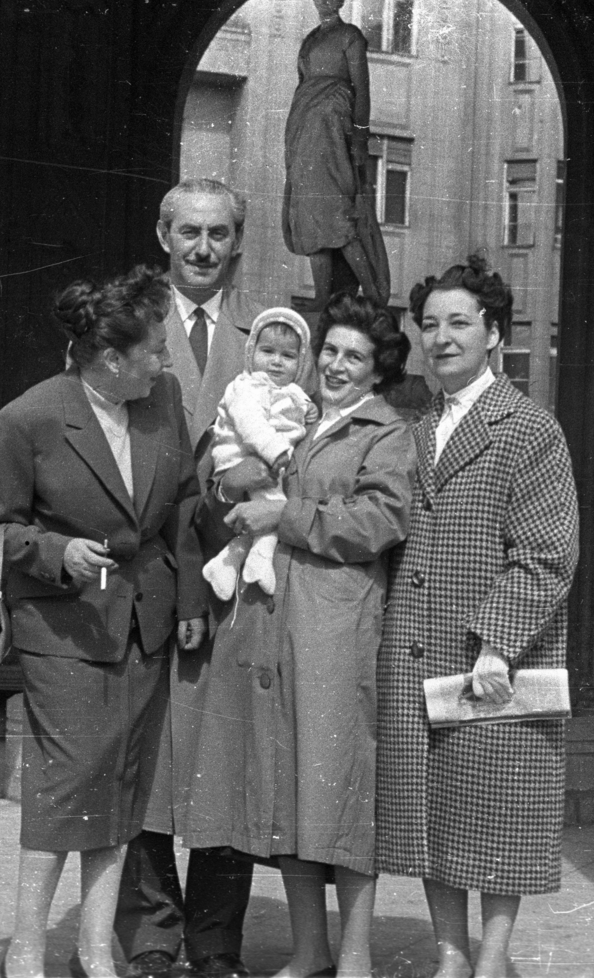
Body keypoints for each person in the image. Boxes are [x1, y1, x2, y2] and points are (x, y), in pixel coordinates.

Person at [0, 266, 207, 978]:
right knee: (66, 785)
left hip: (145, 625)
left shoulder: (161, 398)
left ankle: (97, 949)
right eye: (155, 352)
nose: (166, 363)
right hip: (65, 631)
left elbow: (185, 507)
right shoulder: (31, 417)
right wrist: (55, 551)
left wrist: (189, 599)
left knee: (124, 787)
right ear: (110, 361)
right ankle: (28, 948)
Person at [179, 293, 414, 978]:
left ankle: (357, 957)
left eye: (355, 357)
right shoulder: (301, 415)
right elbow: (233, 482)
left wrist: (286, 514)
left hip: (337, 624)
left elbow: (378, 521)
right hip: (271, 618)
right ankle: (311, 949)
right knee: (286, 785)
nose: (337, 365)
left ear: (378, 370)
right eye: (331, 351)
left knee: (339, 786)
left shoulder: (384, 432)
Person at [375, 257, 581, 978]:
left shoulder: (528, 427)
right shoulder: (417, 426)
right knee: (433, 809)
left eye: (459, 322)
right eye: (429, 325)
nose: (441, 338)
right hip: (416, 647)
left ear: (495, 333)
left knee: (498, 807)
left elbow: (548, 552)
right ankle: (450, 955)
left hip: (493, 655)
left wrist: (498, 643)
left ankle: (491, 960)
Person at [117, 178, 265, 978]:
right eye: (189, 234)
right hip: (145, 579)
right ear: (163, 237)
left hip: (230, 585)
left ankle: (214, 942)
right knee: (144, 763)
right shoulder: (128, 332)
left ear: (236, 242)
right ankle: (149, 936)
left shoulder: (267, 338)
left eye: (218, 234)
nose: (203, 249)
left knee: (223, 763)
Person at [283, 0, 391, 309]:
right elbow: (303, 86)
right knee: (309, 212)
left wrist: (360, 140)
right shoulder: (310, 38)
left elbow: (363, 90)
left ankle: (372, 292)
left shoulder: (351, 36)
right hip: (304, 135)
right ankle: (321, 296)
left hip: (333, 136)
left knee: (339, 214)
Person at [201, 307, 318, 599]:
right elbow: (250, 423)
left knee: (258, 519)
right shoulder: (246, 387)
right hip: (241, 458)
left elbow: (301, 415)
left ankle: (225, 565)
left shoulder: (292, 392)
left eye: (288, 356)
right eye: (267, 351)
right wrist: (275, 450)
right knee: (276, 513)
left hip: (268, 464)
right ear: (251, 351)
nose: (276, 362)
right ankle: (260, 561)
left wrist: (310, 412)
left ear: (300, 363)